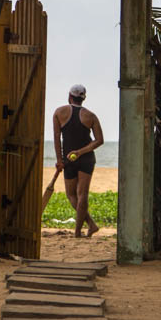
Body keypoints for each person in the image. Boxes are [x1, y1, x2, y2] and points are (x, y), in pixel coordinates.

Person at [53, 83, 103, 238]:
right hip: (86, 158)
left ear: (69, 96)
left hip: (69, 159)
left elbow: (56, 138)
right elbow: (99, 140)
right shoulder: (91, 116)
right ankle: (86, 227)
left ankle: (81, 230)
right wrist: (81, 152)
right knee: (82, 194)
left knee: (71, 195)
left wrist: (60, 159)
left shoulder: (59, 113)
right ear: (84, 98)